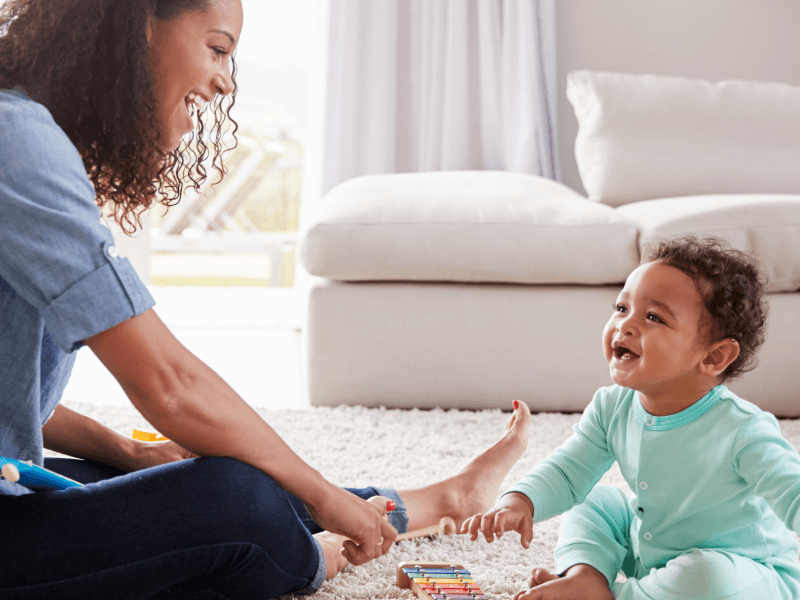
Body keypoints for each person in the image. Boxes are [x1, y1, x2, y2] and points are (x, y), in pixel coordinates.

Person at [0, 1, 533, 597]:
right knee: (235, 496)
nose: (226, 79)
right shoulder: (16, 141)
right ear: (138, 25)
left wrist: (126, 451)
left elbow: (16, 400)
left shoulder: (25, 129)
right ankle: (314, 557)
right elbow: (169, 384)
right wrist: (323, 498)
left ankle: (441, 501)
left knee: (183, 469)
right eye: (218, 48)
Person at [463, 236, 800, 600]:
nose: (625, 326)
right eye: (622, 308)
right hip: (650, 553)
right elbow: (568, 471)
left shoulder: (743, 429)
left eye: (653, 317)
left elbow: (794, 493)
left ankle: (614, 596)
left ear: (715, 357)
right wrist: (522, 501)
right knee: (594, 501)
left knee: (705, 578)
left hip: (748, 574)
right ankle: (586, 577)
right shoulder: (613, 406)